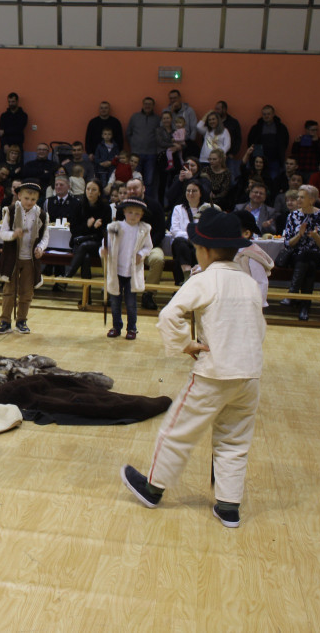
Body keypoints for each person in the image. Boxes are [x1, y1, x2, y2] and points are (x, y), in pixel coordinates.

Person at [121, 209, 265, 529]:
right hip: (249, 375)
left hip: (213, 373)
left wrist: (185, 344)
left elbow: (169, 316)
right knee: (234, 441)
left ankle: (152, 488)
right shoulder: (248, 283)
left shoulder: (204, 279)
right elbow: (259, 327)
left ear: (206, 250)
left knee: (177, 432)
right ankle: (228, 507)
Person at [0, 182, 48, 335]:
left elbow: (45, 237)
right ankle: (4, 321)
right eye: (26, 198)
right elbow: (2, 233)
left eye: (33, 199)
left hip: (30, 260)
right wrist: (13, 235)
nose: (29, 202)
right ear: (19, 196)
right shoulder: (10, 211)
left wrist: (40, 248)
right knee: (9, 290)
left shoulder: (41, 215)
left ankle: (22, 321)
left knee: (27, 292)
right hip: (13, 258)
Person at [101, 199, 153, 340]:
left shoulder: (144, 229)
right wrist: (104, 251)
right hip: (116, 271)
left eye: (137, 213)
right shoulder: (115, 227)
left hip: (132, 272)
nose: (133, 216)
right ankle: (116, 326)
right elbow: (107, 244)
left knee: (131, 304)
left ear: (142, 215)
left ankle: (132, 328)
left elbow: (148, 247)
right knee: (115, 303)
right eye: (130, 212)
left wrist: (141, 255)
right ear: (124, 212)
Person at [115, 178, 167, 310]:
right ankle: (116, 291)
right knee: (109, 255)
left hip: (150, 246)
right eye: (130, 189)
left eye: (135, 188)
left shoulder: (155, 205)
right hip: (126, 247)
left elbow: (160, 231)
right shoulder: (122, 207)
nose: (132, 191)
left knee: (158, 259)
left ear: (143, 188)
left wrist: (143, 249)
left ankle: (148, 294)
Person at [281, 185, 320, 321]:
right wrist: (299, 235)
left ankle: (292, 295)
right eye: (298, 197)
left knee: (308, 255)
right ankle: (304, 307)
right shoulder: (293, 215)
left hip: (317, 254)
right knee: (308, 262)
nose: (299, 200)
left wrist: (315, 236)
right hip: (296, 256)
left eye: (302, 197)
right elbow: (288, 243)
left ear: (312, 200)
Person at [65, 180, 112, 280]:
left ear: (99, 192)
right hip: (78, 241)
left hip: (96, 243)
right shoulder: (78, 205)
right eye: (88, 189)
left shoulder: (106, 208)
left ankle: (67, 277)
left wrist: (96, 227)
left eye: (94, 190)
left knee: (85, 247)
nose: (90, 192)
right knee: (85, 257)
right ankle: (87, 293)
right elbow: (74, 230)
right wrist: (87, 226)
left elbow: (105, 233)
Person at [169, 180, 213, 285]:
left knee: (186, 249)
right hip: (183, 242)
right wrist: (190, 237)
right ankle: (186, 273)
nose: (190, 194)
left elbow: (209, 230)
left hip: (200, 244)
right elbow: (174, 230)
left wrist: (195, 238)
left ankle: (186, 279)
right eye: (188, 191)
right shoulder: (178, 208)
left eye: (194, 191)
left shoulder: (207, 208)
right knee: (180, 242)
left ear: (200, 193)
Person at [233, 210, 274, 308]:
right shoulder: (230, 251)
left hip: (247, 306)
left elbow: (261, 283)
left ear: (246, 233)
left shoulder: (252, 257)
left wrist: (257, 306)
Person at [127, 97, 160, 193]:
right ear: (142, 104)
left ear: (153, 106)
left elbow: (160, 135)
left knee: (149, 180)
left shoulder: (157, 119)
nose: (147, 106)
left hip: (151, 154)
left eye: (150, 104)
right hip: (136, 154)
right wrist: (134, 144)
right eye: (146, 103)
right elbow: (129, 133)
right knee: (135, 179)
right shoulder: (135, 117)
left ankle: (147, 201)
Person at [246, 105, 290, 178]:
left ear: (273, 114)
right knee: (258, 179)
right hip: (259, 159)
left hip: (275, 159)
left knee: (274, 178)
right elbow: (251, 142)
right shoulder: (256, 128)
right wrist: (257, 156)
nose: (266, 116)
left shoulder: (281, 127)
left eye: (268, 114)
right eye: (264, 114)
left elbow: (285, 142)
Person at [0, 92, 27, 162]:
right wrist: (4, 144)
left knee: (18, 168)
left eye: (13, 101)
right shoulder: (4, 115)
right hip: (5, 146)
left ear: (17, 101)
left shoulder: (23, 115)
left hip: (18, 145)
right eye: (9, 102)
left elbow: (19, 129)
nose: (11, 104)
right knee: (2, 168)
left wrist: (5, 131)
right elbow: (0, 132)